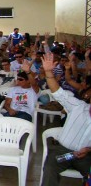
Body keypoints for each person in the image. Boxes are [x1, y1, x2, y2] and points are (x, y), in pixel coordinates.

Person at [41, 53, 91, 186]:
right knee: (50, 169)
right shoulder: (78, 106)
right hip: (64, 152)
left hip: (86, 156)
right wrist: (48, 72)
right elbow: (58, 92)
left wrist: (88, 150)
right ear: (88, 96)